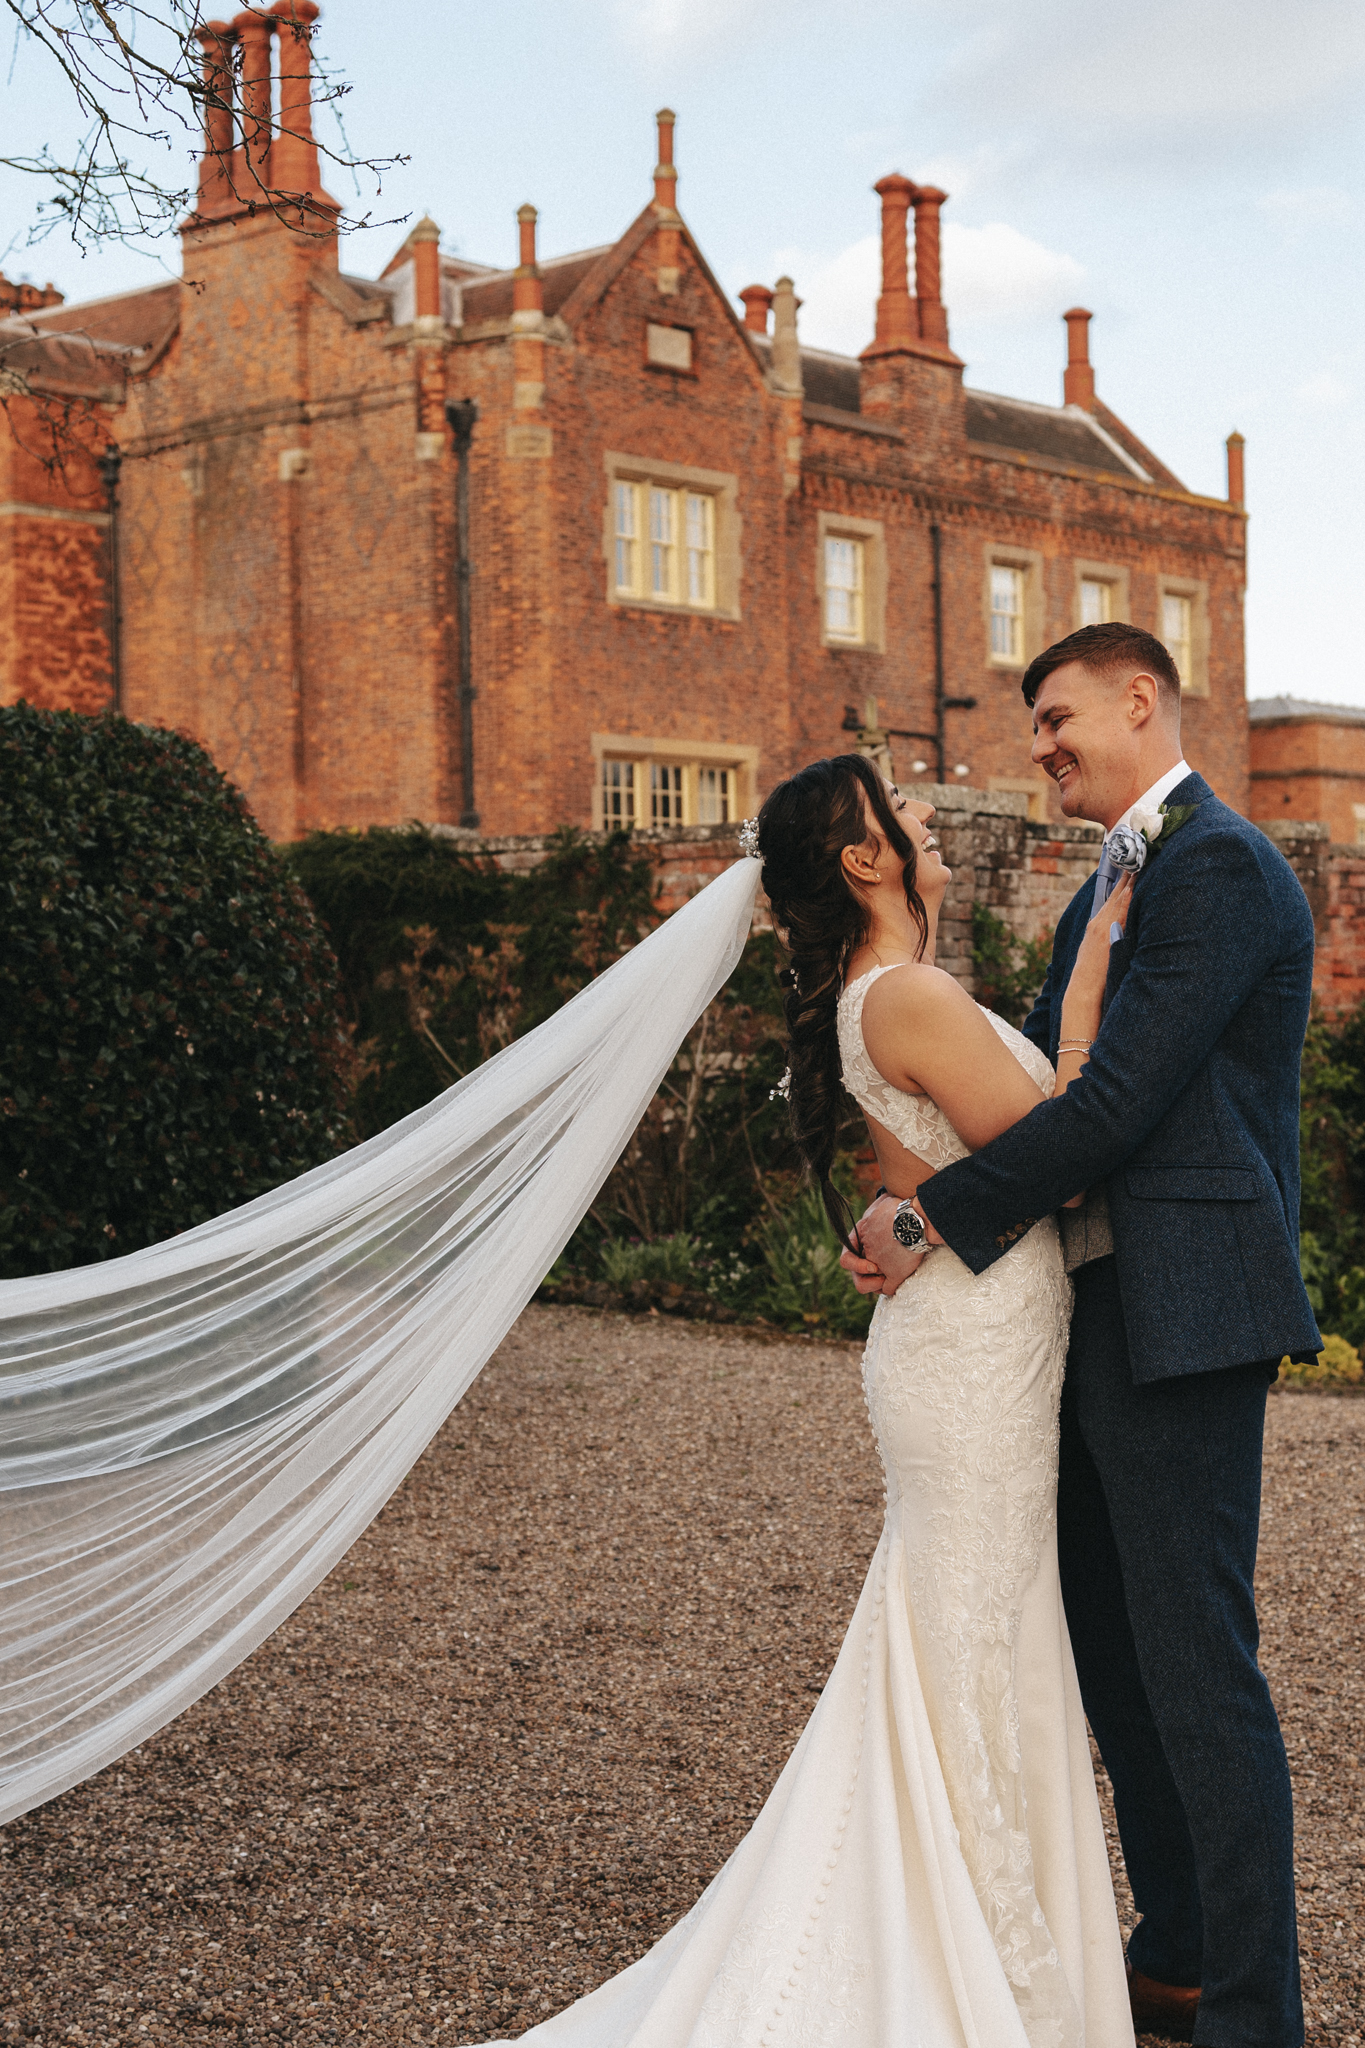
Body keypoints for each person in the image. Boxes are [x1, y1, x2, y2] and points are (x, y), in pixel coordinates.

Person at [482, 751, 1136, 2048]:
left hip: (971, 1339)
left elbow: (960, 1174)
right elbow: (1061, 1162)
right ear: (863, 857)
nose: (934, 812)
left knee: (968, 1643)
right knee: (972, 1649)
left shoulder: (890, 991)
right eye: (910, 806)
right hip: (969, 1357)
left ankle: (972, 1941)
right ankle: (982, 1971)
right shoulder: (904, 995)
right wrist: (1089, 1008)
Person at [843, 621, 1319, 2048]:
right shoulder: (1100, 894)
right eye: (1030, 724)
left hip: (1187, 1307)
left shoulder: (1219, 869)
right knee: (1111, 1658)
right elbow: (1034, 1088)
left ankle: (1252, 2014)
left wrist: (929, 1223)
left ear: (1138, 698)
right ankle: (1170, 1955)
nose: (1038, 743)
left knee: (1194, 1665)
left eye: (1058, 716)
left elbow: (1107, 1109)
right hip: (1093, 1306)